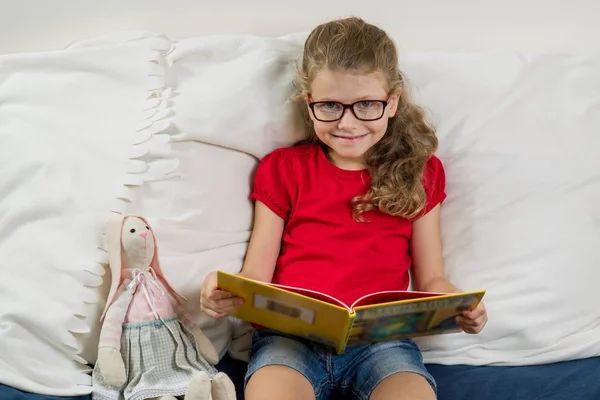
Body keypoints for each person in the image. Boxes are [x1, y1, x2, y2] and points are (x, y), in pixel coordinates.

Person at [200, 17, 488, 400]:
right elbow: (256, 274)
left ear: (393, 102)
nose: (348, 123)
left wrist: (460, 306)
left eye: (367, 104)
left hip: (382, 344)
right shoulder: (283, 168)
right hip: (289, 340)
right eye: (330, 106)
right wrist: (221, 290)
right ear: (309, 103)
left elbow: (432, 279)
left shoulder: (422, 173)